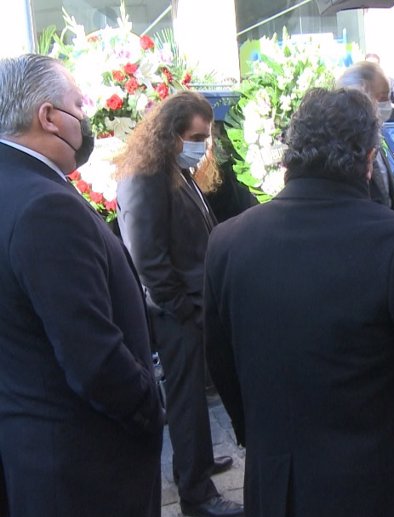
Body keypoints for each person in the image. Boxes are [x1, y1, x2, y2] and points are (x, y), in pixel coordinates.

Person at [204, 87, 394, 517]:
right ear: (368, 159)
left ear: (289, 154)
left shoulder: (228, 242)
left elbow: (220, 361)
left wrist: (256, 434)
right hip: (374, 483)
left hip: (279, 481)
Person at [0, 53, 164, 516]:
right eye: (78, 104)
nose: (86, 116)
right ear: (49, 117)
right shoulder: (43, 206)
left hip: (38, 453)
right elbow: (91, 356)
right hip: (84, 468)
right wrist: (149, 408)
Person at [115, 91, 243, 517]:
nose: (201, 146)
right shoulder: (144, 176)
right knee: (186, 401)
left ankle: (200, 462)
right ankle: (196, 494)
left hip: (194, 304)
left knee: (198, 395)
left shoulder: (176, 171)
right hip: (176, 312)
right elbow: (147, 258)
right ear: (171, 134)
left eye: (205, 137)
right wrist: (182, 309)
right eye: (196, 137)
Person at [336, 61, 394, 210]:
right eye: (382, 96)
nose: (386, 103)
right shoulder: (344, 147)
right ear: (363, 91)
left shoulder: (374, 138)